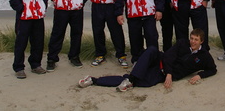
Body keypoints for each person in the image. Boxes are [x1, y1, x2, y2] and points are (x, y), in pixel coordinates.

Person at [77, 29, 216, 91]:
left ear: (201, 41)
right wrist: (169, 73)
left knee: (136, 81)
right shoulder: (182, 43)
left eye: (196, 40)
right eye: (191, 38)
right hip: (161, 61)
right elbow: (168, 56)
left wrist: (199, 75)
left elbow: (213, 69)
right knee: (151, 50)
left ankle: (93, 80)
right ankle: (135, 74)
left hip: (160, 74)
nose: (192, 41)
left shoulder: (204, 56)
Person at [7, 0, 48, 79]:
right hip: (24, 16)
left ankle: (35, 64)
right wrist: (21, 9)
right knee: (21, 42)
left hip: (38, 16)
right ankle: (19, 67)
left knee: (38, 41)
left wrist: (43, 6)